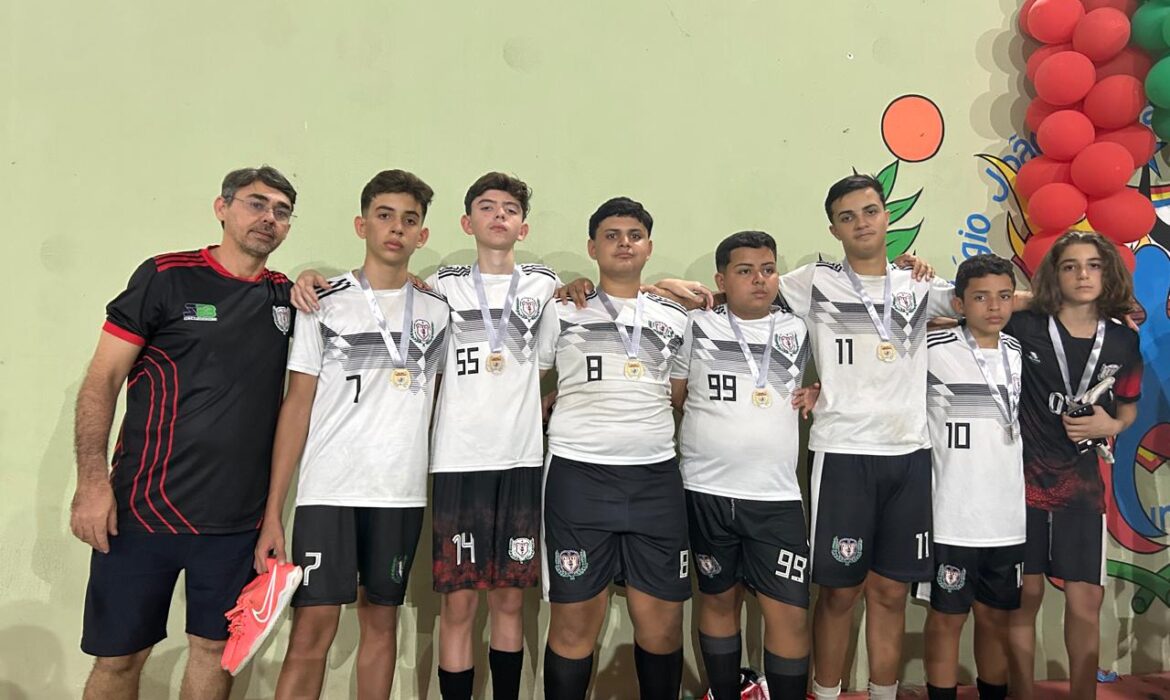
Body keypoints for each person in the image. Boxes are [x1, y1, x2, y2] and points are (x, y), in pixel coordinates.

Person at [70, 165, 298, 700]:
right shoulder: (166, 276)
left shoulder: (285, 298)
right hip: (141, 510)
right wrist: (91, 483)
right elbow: (102, 380)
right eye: (255, 203)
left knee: (214, 654)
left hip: (235, 523)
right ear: (222, 208)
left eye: (281, 211)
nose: (268, 217)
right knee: (120, 658)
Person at [254, 169, 449, 699]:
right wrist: (274, 510)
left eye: (409, 219)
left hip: (399, 493)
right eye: (384, 216)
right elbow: (297, 404)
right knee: (311, 629)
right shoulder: (321, 300)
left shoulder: (438, 310)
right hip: (329, 491)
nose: (396, 228)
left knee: (381, 625)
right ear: (362, 225)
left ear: (422, 235)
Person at [780, 175, 955, 700]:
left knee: (891, 593)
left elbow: (989, 300)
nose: (861, 223)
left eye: (870, 211)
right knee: (839, 593)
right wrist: (657, 289)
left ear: (886, 216)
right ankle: (825, 693)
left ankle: (883, 693)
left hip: (908, 453)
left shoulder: (919, 285)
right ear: (833, 229)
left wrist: (1096, 304)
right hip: (842, 453)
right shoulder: (813, 282)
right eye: (847, 216)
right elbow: (741, 292)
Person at [539, 196, 691, 700]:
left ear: (649, 247)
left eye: (634, 236)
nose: (624, 243)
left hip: (655, 478)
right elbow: (528, 383)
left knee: (662, 626)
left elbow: (679, 396)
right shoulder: (561, 309)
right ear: (592, 247)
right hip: (578, 476)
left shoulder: (676, 317)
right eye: (611, 235)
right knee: (574, 625)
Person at [425, 173, 559, 700]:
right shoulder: (442, 285)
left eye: (510, 208)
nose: (499, 215)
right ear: (467, 222)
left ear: (523, 227)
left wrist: (668, 287)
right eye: (487, 206)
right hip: (458, 459)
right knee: (458, 603)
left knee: (509, 600)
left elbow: (602, 303)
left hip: (520, 459)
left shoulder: (543, 285)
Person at [671, 231, 817, 700]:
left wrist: (821, 389)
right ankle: (724, 692)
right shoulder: (696, 325)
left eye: (768, 270)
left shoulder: (800, 328)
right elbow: (677, 395)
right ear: (721, 280)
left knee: (789, 613)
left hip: (776, 496)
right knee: (717, 601)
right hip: (706, 489)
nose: (759, 279)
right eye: (745, 270)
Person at [1005, 231, 1142, 700]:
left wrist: (1112, 423)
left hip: (1081, 490)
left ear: (1107, 273)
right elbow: (973, 310)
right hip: (1020, 485)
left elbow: (1129, 408)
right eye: (1070, 266)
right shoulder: (1024, 326)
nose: (1083, 274)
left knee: (1086, 601)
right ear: (1054, 275)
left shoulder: (1123, 339)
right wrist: (1027, 299)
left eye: (1093, 265)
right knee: (1024, 597)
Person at [919, 254, 1025, 700]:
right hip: (953, 515)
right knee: (947, 619)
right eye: (981, 298)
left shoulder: (1018, 351)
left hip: (1007, 519)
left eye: (1004, 296)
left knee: (995, 619)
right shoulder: (932, 349)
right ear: (960, 304)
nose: (994, 307)